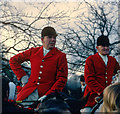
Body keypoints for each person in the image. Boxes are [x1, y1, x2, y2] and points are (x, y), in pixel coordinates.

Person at [9, 26, 68, 106]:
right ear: (42, 39)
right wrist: (23, 78)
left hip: (48, 96)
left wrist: (49, 95)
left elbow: (62, 79)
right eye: (50, 37)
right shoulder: (33, 52)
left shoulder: (60, 56)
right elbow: (13, 61)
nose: (53, 40)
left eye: (54, 37)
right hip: (28, 93)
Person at [80, 35, 120, 113]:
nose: (106, 48)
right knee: (86, 112)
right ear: (97, 47)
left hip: (110, 96)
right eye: (103, 46)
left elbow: (118, 73)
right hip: (93, 96)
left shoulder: (113, 60)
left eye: (107, 46)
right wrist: (102, 91)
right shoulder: (90, 59)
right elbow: (89, 79)